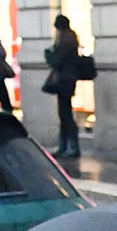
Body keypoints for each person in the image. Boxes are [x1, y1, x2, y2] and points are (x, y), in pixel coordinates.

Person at [43, 14, 84, 160]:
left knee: (65, 114)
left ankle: (70, 146)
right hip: (68, 78)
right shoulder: (70, 39)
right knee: (65, 113)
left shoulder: (66, 41)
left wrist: (48, 54)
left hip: (65, 79)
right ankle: (66, 145)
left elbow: (56, 61)